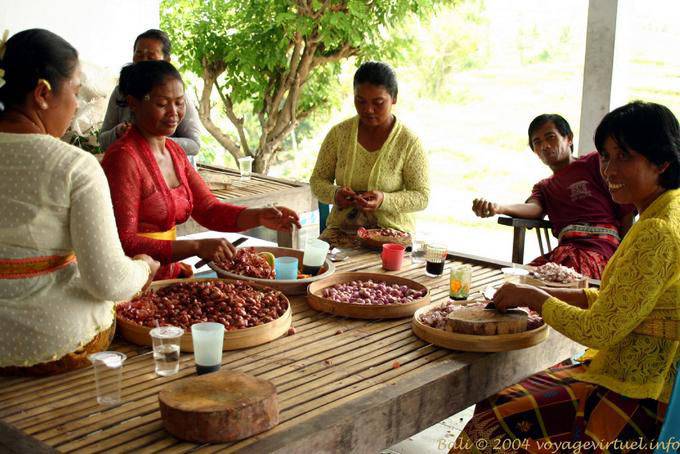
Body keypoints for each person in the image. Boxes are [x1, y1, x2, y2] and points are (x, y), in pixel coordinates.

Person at [453, 101, 679, 453]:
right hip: (638, 369)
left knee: (494, 417)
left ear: (662, 161)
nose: (609, 169)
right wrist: (535, 288)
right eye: (606, 156)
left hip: (638, 390)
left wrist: (535, 298)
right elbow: (614, 302)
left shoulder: (656, 230)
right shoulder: (666, 207)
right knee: (502, 398)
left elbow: (600, 330)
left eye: (624, 156)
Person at [0, 29, 159, 375]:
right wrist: (144, 267)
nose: (76, 105)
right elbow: (108, 281)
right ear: (43, 93)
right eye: (75, 90)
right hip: (50, 342)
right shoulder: (74, 166)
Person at [102, 60, 300, 280]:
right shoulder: (123, 158)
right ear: (134, 103)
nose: (174, 113)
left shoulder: (175, 152)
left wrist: (259, 216)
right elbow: (125, 241)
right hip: (135, 281)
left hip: (168, 272)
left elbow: (208, 209)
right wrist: (195, 246)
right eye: (162, 104)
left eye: (179, 103)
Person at [472, 114, 635, 279]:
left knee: (553, 283)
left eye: (550, 137)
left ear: (569, 138)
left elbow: (626, 209)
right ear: (535, 152)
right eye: (537, 142)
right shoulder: (544, 187)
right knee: (518, 281)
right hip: (565, 254)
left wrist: (623, 258)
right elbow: (534, 209)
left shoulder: (594, 163)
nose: (545, 146)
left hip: (599, 251)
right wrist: (499, 208)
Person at [310, 61, 430, 248]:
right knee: (317, 270)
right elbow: (317, 181)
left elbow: (422, 197)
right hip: (341, 232)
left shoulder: (408, 142)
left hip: (392, 236)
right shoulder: (339, 134)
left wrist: (384, 199)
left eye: (378, 103)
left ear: (394, 99)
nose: (368, 109)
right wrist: (336, 194)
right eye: (361, 101)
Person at [99, 29, 201, 158]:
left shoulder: (176, 94)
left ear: (167, 60)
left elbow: (194, 144)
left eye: (151, 57)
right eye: (139, 54)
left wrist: (151, 141)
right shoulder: (121, 91)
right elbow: (103, 141)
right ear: (132, 103)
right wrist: (118, 132)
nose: (143, 61)